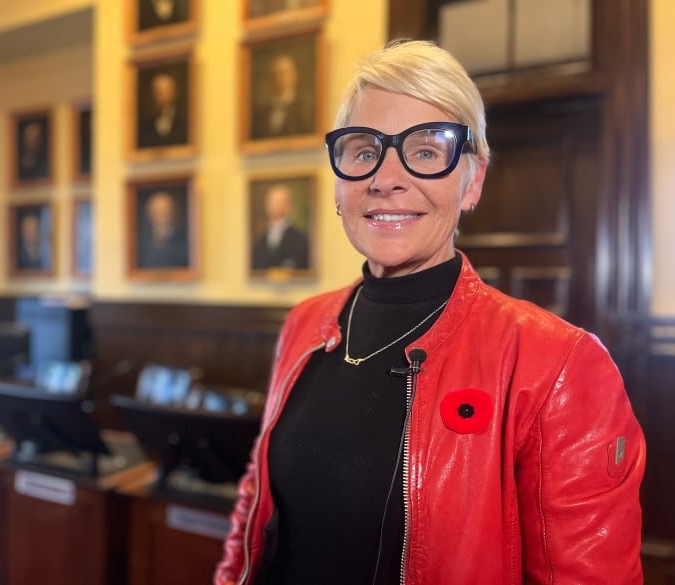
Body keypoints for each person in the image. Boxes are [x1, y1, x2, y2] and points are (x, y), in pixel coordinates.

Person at [216, 39, 645, 585]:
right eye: (364, 149)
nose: (387, 177)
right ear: (339, 181)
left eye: (425, 150)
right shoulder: (306, 324)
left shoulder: (558, 365)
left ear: (474, 180)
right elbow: (253, 506)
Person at [250, 52, 313, 140]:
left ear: (294, 76)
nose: (280, 78)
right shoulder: (261, 114)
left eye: (285, 73)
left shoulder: (306, 109)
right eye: (276, 74)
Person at [251, 183, 309, 271]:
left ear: (289, 206)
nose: (273, 206)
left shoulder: (300, 239)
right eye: (271, 202)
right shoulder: (260, 240)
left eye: (278, 202)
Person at [139, 191, 189, 268]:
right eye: (157, 211)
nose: (161, 214)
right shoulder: (141, 239)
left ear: (173, 212)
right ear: (149, 214)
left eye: (165, 210)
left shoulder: (185, 238)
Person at [138, 71, 189, 148]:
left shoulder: (185, 120)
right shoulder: (144, 124)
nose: (162, 97)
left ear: (174, 93)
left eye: (166, 92)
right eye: (158, 92)